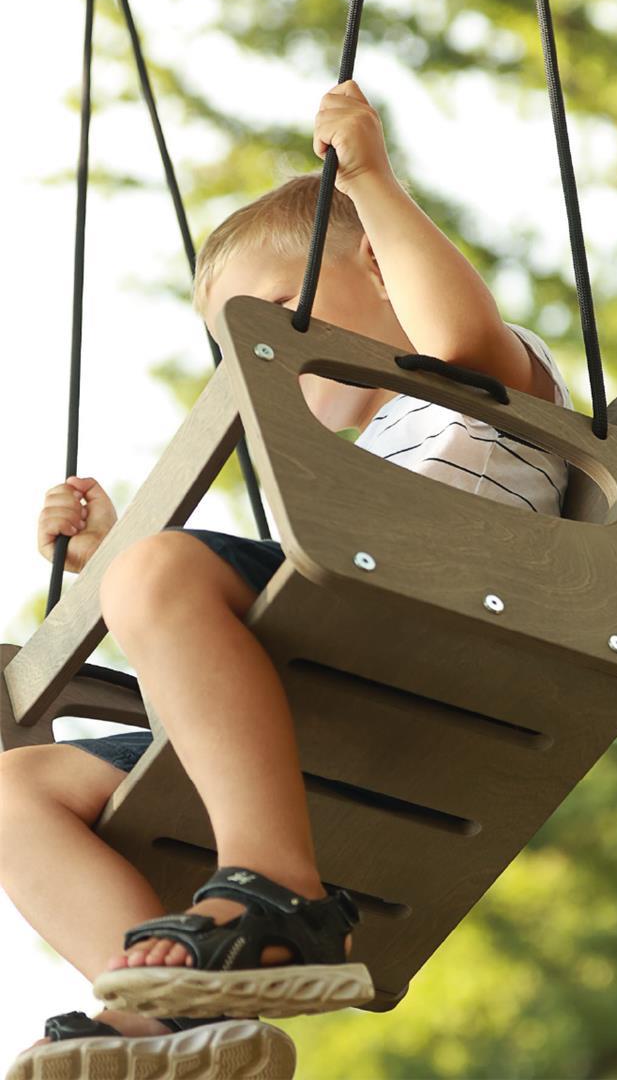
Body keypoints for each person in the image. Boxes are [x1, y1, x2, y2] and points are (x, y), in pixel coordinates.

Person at [1, 79, 573, 1079]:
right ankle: (168, 1014)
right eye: (236, 347)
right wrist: (112, 563)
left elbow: (461, 342)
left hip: (436, 637)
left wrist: (374, 187)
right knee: (14, 791)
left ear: (380, 270)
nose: (264, 359)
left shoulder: (478, 393)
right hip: (316, 693)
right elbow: (223, 617)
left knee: (161, 569)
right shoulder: (345, 480)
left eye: (275, 314)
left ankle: (275, 884)